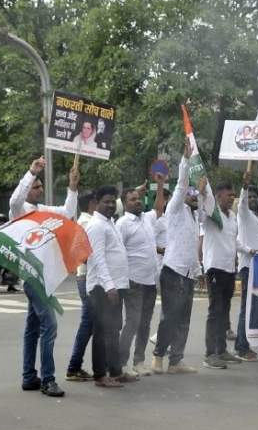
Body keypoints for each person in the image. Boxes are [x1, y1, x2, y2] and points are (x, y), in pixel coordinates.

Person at [9, 155, 79, 396]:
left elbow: (68, 212)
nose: (38, 190)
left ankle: (29, 376)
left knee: (33, 327)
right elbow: (16, 198)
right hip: (31, 276)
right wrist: (31, 172)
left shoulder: (43, 211)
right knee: (49, 326)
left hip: (45, 276)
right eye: (35, 186)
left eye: (40, 186)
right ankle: (48, 379)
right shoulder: (19, 210)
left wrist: (72, 186)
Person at [152, 150, 212, 374]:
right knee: (169, 317)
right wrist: (186, 160)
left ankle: (176, 360)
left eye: (195, 193)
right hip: (173, 270)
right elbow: (180, 184)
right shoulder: (175, 209)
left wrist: (204, 191)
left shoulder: (195, 215)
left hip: (188, 273)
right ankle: (158, 356)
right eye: (191, 191)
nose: (193, 194)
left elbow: (207, 214)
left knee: (184, 319)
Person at [83, 185, 135, 388]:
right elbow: (98, 258)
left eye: (113, 201)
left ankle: (115, 371)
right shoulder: (96, 225)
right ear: (96, 203)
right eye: (106, 201)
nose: (111, 205)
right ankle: (100, 375)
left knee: (113, 330)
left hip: (115, 286)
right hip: (102, 288)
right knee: (103, 331)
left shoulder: (109, 223)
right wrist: (109, 286)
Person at [116, 178, 164, 376]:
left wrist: (160, 186)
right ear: (125, 204)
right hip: (133, 281)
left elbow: (159, 208)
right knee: (133, 322)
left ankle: (139, 361)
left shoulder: (147, 218)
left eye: (138, 198)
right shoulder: (122, 224)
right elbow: (118, 253)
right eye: (133, 199)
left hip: (150, 281)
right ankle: (120, 364)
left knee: (144, 323)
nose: (137, 201)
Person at [202, 181, 239, 369]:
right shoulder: (211, 214)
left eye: (233, 195)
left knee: (224, 312)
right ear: (218, 197)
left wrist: (249, 250)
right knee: (215, 311)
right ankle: (210, 354)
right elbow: (204, 204)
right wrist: (202, 190)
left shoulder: (232, 216)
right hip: (215, 268)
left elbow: (234, 241)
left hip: (229, 269)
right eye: (228, 195)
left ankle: (222, 350)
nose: (232, 198)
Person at [65, 192, 97, 382]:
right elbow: (81, 252)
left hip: (86, 276)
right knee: (88, 323)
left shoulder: (88, 221)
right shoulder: (86, 223)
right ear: (92, 204)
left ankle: (76, 366)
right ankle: (73, 366)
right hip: (86, 277)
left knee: (90, 324)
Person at [234, 169, 258, 362]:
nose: (252, 199)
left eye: (255, 196)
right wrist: (244, 187)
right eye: (250, 196)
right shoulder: (244, 214)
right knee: (246, 308)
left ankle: (248, 343)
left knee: (255, 308)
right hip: (248, 267)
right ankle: (241, 347)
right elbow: (243, 204)